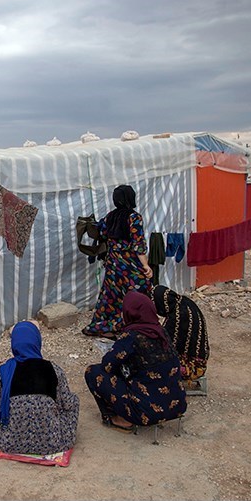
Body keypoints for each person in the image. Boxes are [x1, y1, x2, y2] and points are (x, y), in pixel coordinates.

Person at [84, 291, 187, 431]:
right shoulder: (161, 331)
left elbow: (107, 364)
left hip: (146, 413)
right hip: (178, 406)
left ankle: (122, 419)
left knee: (93, 372)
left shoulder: (131, 337)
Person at [0, 321, 79, 454]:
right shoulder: (54, 369)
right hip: (53, 443)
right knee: (73, 400)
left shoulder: (4, 372)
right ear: (37, 341)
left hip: (7, 443)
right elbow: (67, 404)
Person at [82, 184, 153, 338]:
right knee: (138, 293)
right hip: (129, 265)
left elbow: (103, 234)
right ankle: (129, 325)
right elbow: (138, 244)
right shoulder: (134, 217)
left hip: (113, 263)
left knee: (111, 295)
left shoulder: (110, 216)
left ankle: (100, 325)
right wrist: (146, 265)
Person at [152, 284, 210, 383]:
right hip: (199, 359)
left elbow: (166, 344)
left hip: (192, 367)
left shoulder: (178, 317)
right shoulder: (184, 302)